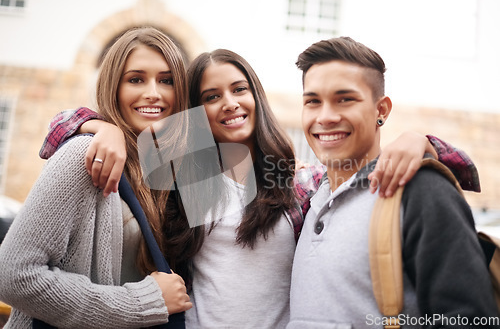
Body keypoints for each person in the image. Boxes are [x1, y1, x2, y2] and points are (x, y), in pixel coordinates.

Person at [38, 46, 481, 328]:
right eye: (211, 97)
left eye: (239, 89)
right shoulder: (184, 180)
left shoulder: (296, 180)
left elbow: (373, 168)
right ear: (195, 111)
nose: (229, 103)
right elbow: (57, 131)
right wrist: (100, 126)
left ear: (256, 95)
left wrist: (422, 140)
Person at [288, 36, 499, 329]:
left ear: (381, 111)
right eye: (313, 101)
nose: (325, 117)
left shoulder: (420, 191)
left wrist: (424, 143)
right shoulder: (305, 199)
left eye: (345, 99)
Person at [0, 27, 195, 328]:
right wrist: (144, 303)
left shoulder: (169, 171)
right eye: (136, 79)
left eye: (166, 80)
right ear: (113, 87)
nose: (153, 92)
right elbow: (13, 274)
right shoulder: (85, 155)